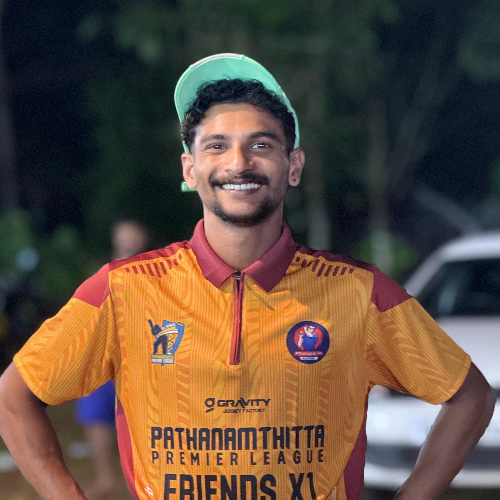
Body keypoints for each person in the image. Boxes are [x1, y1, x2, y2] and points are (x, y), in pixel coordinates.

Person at [0, 53, 495, 500]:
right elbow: (13, 397)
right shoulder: (123, 289)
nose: (238, 163)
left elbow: (470, 395)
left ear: (293, 166)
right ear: (190, 169)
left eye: (261, 144)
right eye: (216, 146)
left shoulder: (358, 292)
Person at [73, 218, 149, 500]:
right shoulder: (102, 273)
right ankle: (106, 478)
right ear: (115, 237)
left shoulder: (159, 272)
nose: (129, 239)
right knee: (95, 412)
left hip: (140, 360)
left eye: (134, 233)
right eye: (124, 234)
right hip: (104, 357)